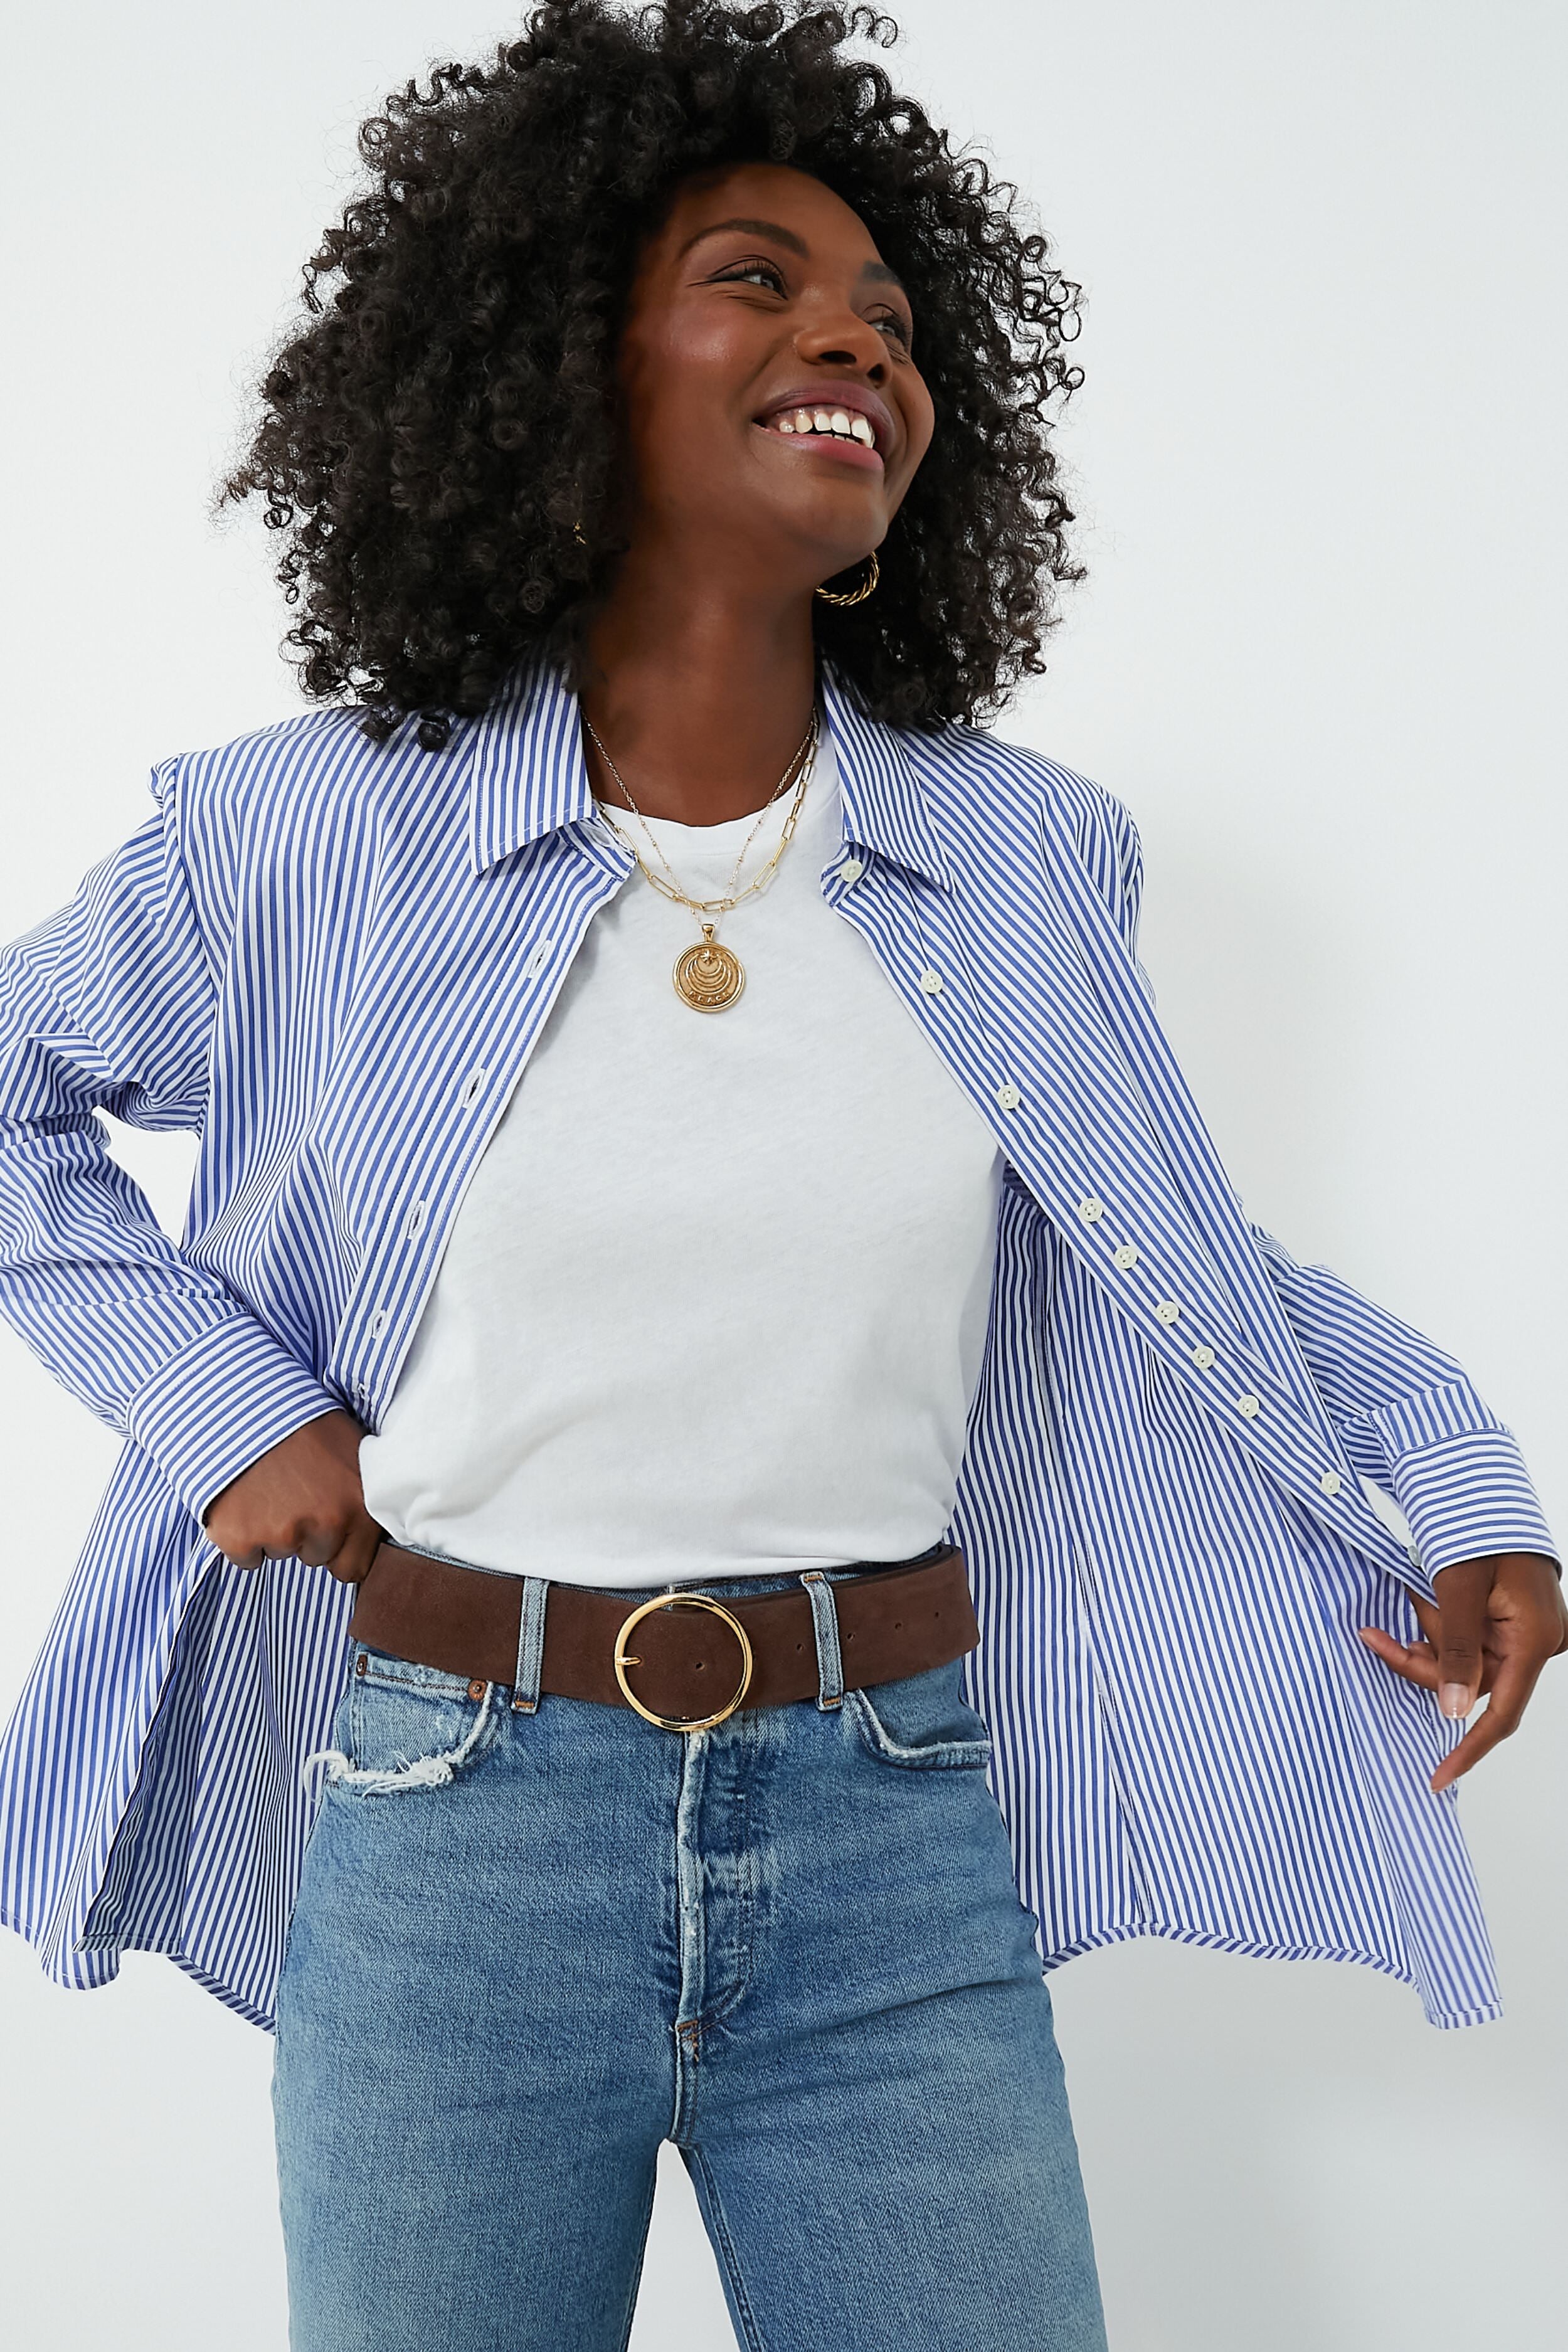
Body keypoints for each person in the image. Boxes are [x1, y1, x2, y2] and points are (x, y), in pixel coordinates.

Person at [0, 4, 1560, 2346]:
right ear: (558, 366)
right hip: (455, 1832)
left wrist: (1465, 1500)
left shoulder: (1021, 858)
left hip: (892, 1822)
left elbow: (1172, 1263)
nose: (849, 340)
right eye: (756, 278)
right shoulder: (312, 835)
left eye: (893, 323)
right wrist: (233, 1415)